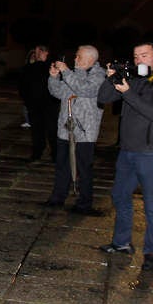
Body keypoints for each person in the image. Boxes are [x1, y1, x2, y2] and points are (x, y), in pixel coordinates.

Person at [97, 42, 153, 271]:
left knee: (152, 203)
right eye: (135, 56)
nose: (139, 60)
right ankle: (122, 242)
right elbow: (103, 98)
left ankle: (152, 252)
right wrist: (112, 77)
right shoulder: (132, 79)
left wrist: (128, 92)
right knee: (120, 195)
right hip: (128, 151)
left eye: (144, 55)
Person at [43, 45, 106, 214]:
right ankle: (58, 197)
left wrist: (67, 72)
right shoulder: (74, 75)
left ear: (91, 59)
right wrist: (54, 78)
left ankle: (84, 203)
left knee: (84, 168)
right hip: (66, 128)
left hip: (85, 131)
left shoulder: (99, 75)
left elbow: (85, 89)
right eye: (76, 56)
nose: (75, 59)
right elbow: (58, 92)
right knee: (62, 165)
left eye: (79, 57)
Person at [19, 45, 59, 162]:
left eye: (37, 52)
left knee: (52, 130)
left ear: (44, 52)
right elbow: (22, 86)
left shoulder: (51, 66)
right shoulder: (29, 68)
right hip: (35, 105)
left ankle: (54, 153)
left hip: (49, 105)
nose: (35, 54)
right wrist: (27, 101)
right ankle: (38, 151)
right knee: (37, 130)